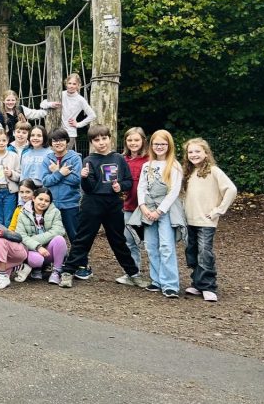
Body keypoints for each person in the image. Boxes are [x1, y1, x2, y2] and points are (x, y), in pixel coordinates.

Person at [58, 125, 147, 288]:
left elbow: (128, 181)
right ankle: (68, 271)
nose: (101, 143)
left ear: (110, 139)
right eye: (97, 140)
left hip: (113, 204)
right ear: (92, 142)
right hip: (92, 203)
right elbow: (88, 188)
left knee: (118, 240)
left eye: (104, 138)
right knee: (83, 238)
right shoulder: (89, 160)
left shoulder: (119, 158)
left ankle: (133, 273)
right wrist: (84, 178)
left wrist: (120, 186)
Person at [128, 130, 185, 298]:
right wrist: (143, 207)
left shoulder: (174, 165)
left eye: (163, 144)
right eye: (156, 144)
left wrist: (159, 211)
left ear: (169, 146)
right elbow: (141, 188)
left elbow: (174, 191)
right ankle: (157, 280)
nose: (159, 147)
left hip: (165, 210)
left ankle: (170, 284)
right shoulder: (148, 165)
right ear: (151, 145)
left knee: (166, 245)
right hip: (148, 209)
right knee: (151, 245)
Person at [182, 138, 237, 302]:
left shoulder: (214, 171)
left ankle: (208, 286)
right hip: (189, 220)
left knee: (205, 253)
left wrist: (218, 210)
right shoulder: (188, 173)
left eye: (197, 151)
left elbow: (231, 189)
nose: (194, 155)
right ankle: (198, 283)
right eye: (190, 152)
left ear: (206, 153)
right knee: (192, 253)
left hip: (206, 221)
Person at [15, 187, 69, 284]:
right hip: (32, 250)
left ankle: (56, 271)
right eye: (40, 199)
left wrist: (35, 239)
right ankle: (36, 269)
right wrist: (38, 246)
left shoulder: (55, 212)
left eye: (46, 201)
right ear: (34, 198)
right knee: (36, 260)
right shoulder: (23, 213)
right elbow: (21, 235)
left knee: (59, 239)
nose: (43, 203)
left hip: (49, 250)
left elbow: (59, 230)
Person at [41, 128, 83, 242]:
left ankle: (78, 260)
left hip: (70, 204)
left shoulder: (75, 158)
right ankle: (58, 259)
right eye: (54, 141)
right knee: (52, 237)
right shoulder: (47, 159)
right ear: (50, 143)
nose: (58, 143)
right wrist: (60, 173)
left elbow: (76, 180)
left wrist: (56, 171)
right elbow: (45, 181)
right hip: (52, 204)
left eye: (61, 140)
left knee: (74, 236)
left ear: (67, 141)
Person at [122, 127, 150, 276]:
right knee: (129, 241)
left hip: (147, 208)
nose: (133, 143)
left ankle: (157, 275)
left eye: (136, 140)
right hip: (128, 206)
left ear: (143, 141)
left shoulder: (150, 159)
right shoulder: (122, 159)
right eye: (130, 140)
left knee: (151, 243)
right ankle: (133, 272)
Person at [42, 73, 96, 149]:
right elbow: (42, 104)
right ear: (66, 84)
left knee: (65, 157)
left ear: (78, 85)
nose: (71, 86)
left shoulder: (80, 100)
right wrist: (51, 104)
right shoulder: (60, 94)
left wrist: (78, 124)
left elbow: (92, 115)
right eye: (69, 83)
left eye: (74, 84)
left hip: (69, 134)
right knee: (51, 155)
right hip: (54, 131)